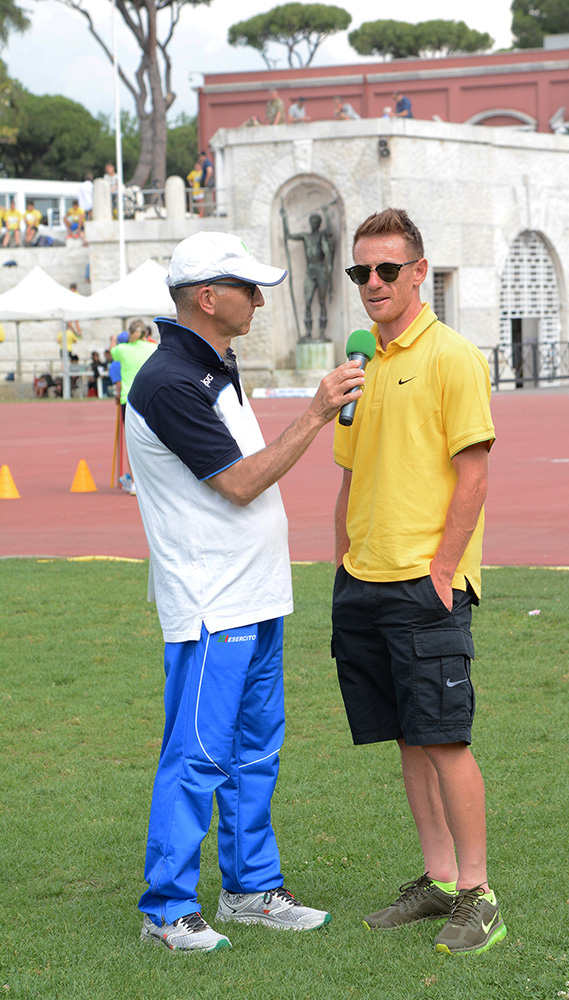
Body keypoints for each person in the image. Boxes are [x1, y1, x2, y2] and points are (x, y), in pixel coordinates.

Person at [124, 231, 364, 952]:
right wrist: (315, 413)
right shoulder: (170, 380)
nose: (259, 300)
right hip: (211, 602)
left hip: (254, 595)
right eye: (247, 288)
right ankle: (166, 911)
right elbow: (239, 483)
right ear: (207, 297)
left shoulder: (210, 367)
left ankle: (250, 889)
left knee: (255, 752)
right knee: (198, 754)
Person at [331, 208, 505, 957]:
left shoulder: (451, 356)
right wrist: (341, 555)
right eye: (360, 271)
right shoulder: (360, 363)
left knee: (444, 740)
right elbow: (349, 473)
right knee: (407, 737)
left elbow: (474, 475)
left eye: (386, 269)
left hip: (423, 583)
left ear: (418, 274)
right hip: (362, 579)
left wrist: (442, 569)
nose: (372, 282)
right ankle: (437, 878)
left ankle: (478, 894)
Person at [111, 320, 157, 494]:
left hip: (129, 399)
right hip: (151, 397)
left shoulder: (122, 349)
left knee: (132, 442)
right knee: (156, 439)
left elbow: (112, 352)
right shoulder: (153, 347)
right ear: (146, 333)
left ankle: (136, 482)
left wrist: (113, 339)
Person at [280, 205, 335, 339]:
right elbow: (289, 236)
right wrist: (285, 219)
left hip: (321, 270)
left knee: (322, 302)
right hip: (310, 271)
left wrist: (326, 214)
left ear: (319, 223)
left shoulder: (322, 235)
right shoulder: (305, 236)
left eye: (316, 222)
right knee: (308, 302)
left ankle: (322, 332)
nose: (314, 224)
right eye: (312, 221)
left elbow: (329, 232)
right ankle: (308, 332)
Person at [199, 149, 215, 216]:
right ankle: (208, 213)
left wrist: (206, 180)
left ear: (203, 156)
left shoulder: (207, 162)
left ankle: (209, 213)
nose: (200, 158)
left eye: (200, 157)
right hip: (207, 184)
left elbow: (209, 171)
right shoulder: (205, 162)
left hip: (208, 184)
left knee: (208, 198)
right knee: (207, 198)